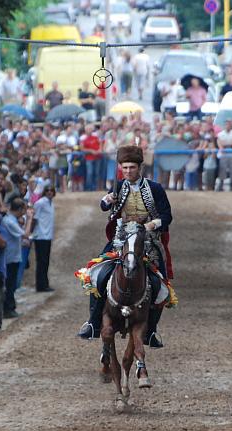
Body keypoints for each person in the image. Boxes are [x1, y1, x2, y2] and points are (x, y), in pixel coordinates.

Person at [77, 145, 172, 348]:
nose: (128, 171)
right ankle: (93, 323)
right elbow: (104, 206)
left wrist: (149, 225)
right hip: (121, 239)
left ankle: (151, 331)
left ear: (140, 168)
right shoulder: (118, 186)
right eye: (125, 167)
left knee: (160, 284)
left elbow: (166, 216)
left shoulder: (155, 188)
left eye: (132, 167)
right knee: (97, 274)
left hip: (148, 241)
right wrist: (106, 199)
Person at [1, 198, 33, 319]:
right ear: (20, 209)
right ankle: (8, 309)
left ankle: (10, 306)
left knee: (11, 283)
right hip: (10, 257)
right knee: (10, 284)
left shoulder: (11, 220)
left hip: (13, 255)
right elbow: (25, 234)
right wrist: (29, 220)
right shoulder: (10, 221)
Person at [31, 184, 55, 293]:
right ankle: (41, 285)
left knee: (45, 262)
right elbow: (34, 218)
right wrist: (31, 231)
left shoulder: (50, 203)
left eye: (51, 190)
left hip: (47, 236)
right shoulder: (40, 203)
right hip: (40, 236)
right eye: (47, 190)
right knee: (42, 262)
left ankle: (44, 283)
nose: (49, 192)